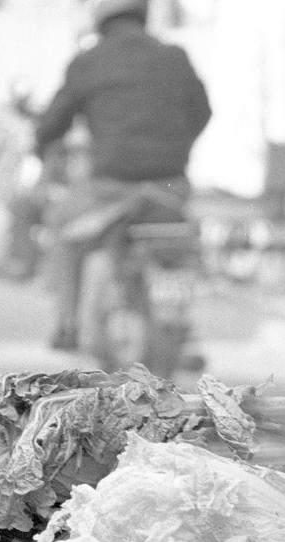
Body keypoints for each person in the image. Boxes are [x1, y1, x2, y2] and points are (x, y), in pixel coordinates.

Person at [33, 0, 211, 350]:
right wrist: (176, 148)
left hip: (110, 184)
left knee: (62, 226)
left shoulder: (89, 61)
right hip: (170, 182)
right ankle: (182, 325)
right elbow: (203, 112)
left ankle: (67, 325)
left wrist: (43, 149)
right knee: (180, 240)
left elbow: (53, 124)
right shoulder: (174, 56)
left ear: (101, 18)